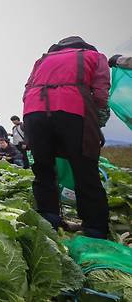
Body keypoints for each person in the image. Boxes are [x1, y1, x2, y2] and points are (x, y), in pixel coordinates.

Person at [23, 36, 111, 238]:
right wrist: (95, 121)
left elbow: (27, 89)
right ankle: (95, 229)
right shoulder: (95, 57)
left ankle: (49, 221)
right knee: (84, 169)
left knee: (43, 169)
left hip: (34, 111)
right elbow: (100, 94)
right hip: (73, 110)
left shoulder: (42, 60)